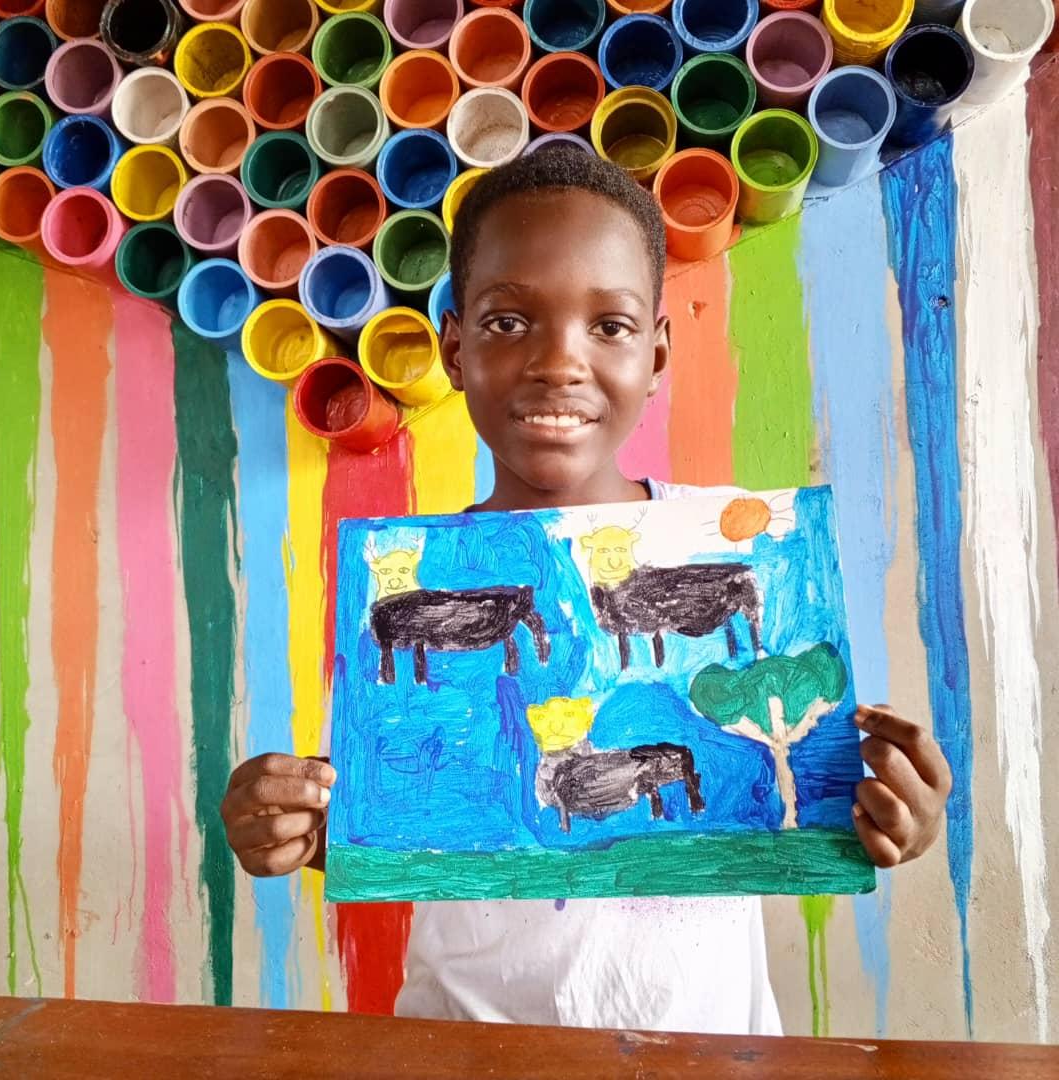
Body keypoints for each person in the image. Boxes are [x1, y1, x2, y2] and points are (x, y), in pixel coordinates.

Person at [221, 148, 952, 1033]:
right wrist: (299, 827)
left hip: (707, 1050)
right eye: (506, 323)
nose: (558, 363)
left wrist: (887, 813)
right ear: (452, 347)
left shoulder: (741, 549)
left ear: (657, 352)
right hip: (462, 1046)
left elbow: (806, 797)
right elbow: (414, 818)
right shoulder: (410, 574)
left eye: (608, 325)